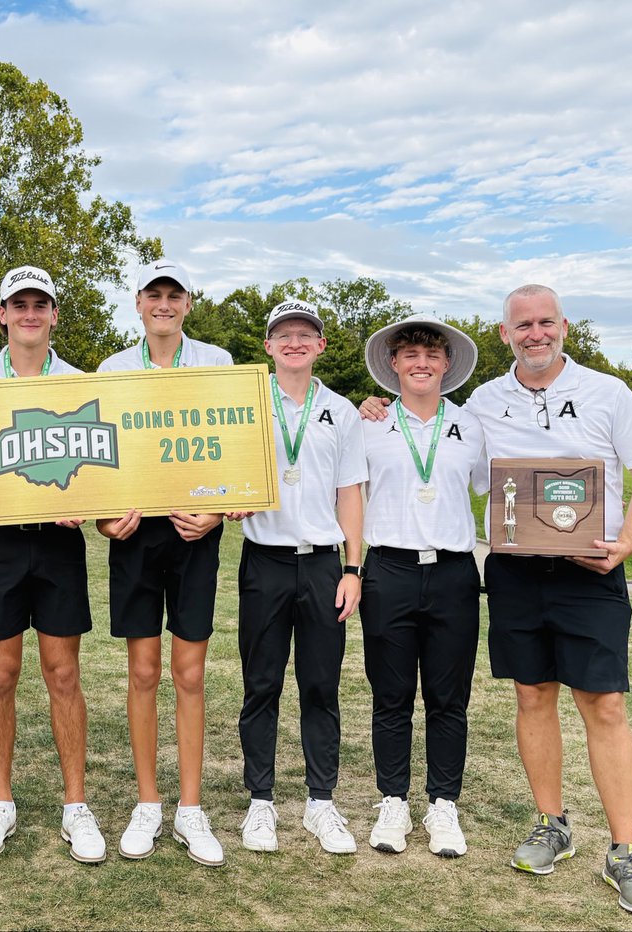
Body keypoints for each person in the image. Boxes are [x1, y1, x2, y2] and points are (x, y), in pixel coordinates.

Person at [361, 284, 632, 916]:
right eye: (523, 324)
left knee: (604, 704)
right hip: (515, 572)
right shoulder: (483, 404)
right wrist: (375, 408)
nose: (536, 333)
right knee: (532, 695)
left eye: (545, 322)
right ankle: (551, 824)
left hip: (590, 570)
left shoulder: (608, 393)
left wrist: (627, 544)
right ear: (505, 334)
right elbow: (428, 429)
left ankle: (625, 850)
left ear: (563, 327)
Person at [0, 266, 105, 863]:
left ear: (54, 314)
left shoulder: (77, 380)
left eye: (40, 304)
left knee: (62, 673)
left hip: (58, 542)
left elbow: (96, 466)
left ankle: (76, 805)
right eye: (18, 304)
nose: (29, 314)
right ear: (1, 313)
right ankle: (1, 800)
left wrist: (84, 501)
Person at [95, 259, 232, 867]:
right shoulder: (113, 369)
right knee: (144, 671)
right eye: (154, 294)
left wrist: (220, 511)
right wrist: (103, 516)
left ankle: (191, 809)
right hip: (136, 536)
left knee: (191, 673)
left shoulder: (219, 364)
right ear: (138, 303)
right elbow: (97, 455)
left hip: (196, 529)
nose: (164, 304)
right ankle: (149, 802)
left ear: (188, 302)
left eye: (174, 294)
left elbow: (235, 452)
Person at [226, 300, 366, 856]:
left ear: (320, 346)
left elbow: (350, 493)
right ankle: (260, 802)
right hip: (265, 558)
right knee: (261, 682)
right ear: (268, 345)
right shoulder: (244, 401)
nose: (294, 342)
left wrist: (354, 567)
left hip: (323, 562)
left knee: (319, 684)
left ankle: (320, 802)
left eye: (305, 334)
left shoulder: (342, 411)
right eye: (283, 334)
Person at [358, 315, 483, 858]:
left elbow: (502, 486)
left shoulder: (474, 424)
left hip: (455, 572)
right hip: (389, 570)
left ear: (447, 363)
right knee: (391, 697)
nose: (421, 363)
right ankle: (393, 802)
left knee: (448, 699)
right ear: (394, 363)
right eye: (409, 354)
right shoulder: (369, 422)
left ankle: (443, 805)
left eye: (431, 354)